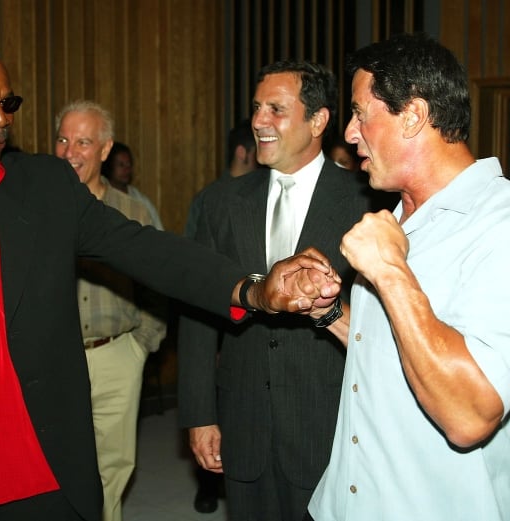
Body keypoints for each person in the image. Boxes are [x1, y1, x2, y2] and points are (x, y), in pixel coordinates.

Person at [0, 32, 337, 521]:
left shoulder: (45, 187)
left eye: (7, 104)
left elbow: (146, 248)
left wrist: (255, 289)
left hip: (44, 472)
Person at [305, 33, 510, 521]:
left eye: (361, 113)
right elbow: (391, 348)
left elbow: (470, 414)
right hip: (344, 506)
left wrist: (389, 271)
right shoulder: (397, 218)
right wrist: (328, 311)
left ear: (413, 115)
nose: (348, 133)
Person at [178, 60, 372, 521]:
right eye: (257, 108)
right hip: (243, 418)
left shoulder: (367, 202)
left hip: (330, 421)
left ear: (318, 120)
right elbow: (198, 310)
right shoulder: (220, 203)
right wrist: (200, 412)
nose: (259, 122)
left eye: (276, 110)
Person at [53, 100, 167, 521]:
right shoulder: (37, 213)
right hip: (53, 360)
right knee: (54, 466)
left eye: (83, 141)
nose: (70, 152)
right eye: (63, 139)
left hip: (117, 354)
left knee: (113, 468)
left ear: (105, 149)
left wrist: (140, 346)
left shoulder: (133, 213)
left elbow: (159, 284)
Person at [183, 118, 256, 514]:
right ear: (245, 152)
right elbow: (196, 274)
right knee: (213, 410)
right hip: (219, 319)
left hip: (240, 321)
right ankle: (208, 485)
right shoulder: (212, 201)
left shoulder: (212, 196)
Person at [184, 118, 257, 240]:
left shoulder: (262, 192)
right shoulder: (210, 199)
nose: (261, 156)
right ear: (241, 153)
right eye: (257, 151)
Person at [102, 142, 165, 230]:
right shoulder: (101, 197)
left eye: (129, 164)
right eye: (121, 165)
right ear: (109, 166)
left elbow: (158, 232)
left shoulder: (140, 200)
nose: (126, 169)